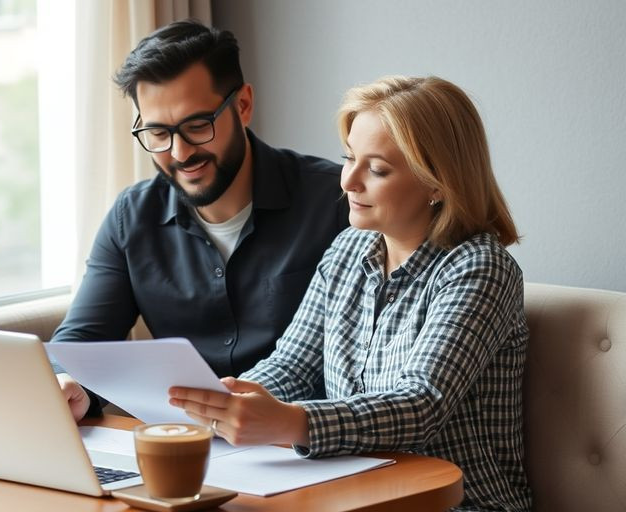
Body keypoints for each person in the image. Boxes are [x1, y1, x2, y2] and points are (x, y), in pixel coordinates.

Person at [169, 76, 532, 511]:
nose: (348, 182)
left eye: (376, 169)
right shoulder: (348, 248)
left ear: (437, 183)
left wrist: (291, 422)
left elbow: (421, 405)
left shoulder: (479, 268)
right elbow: (294, 365)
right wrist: (226, 403)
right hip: (352, 493)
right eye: (348, 158)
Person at [52, 20, 348, 420]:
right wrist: (70, 385)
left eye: (197, 126)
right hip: (186, 447)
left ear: (243, 105)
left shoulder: (339, 202)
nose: (179, 152)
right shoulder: (132, 217)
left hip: (310, 446)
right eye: (157, 132)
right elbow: (81, 344)